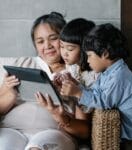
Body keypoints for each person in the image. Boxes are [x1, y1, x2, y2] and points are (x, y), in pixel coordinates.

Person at [0, 12, 89, 150]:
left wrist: (61, 117)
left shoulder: (77, 73)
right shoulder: (22, 63)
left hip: (53, 132)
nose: (47, 45)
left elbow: (84, 132)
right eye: (40, 41)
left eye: (53, 38)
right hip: (12, 130)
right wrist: (10, 95)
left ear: (65, 39)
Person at [60, 23, 132, 150]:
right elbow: (95, 93)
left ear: (105, 54)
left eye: (90, 55)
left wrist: (78, 93)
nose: (87, 61)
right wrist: (76, 85)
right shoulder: (108, 73)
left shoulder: (119, 76)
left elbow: (103, 101)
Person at [35, 18, 98, 148]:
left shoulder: (92, 75)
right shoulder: (73, 69)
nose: (64, 53)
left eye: (69, 48)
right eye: (62, 46)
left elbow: (86, 108)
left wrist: (75, 91)